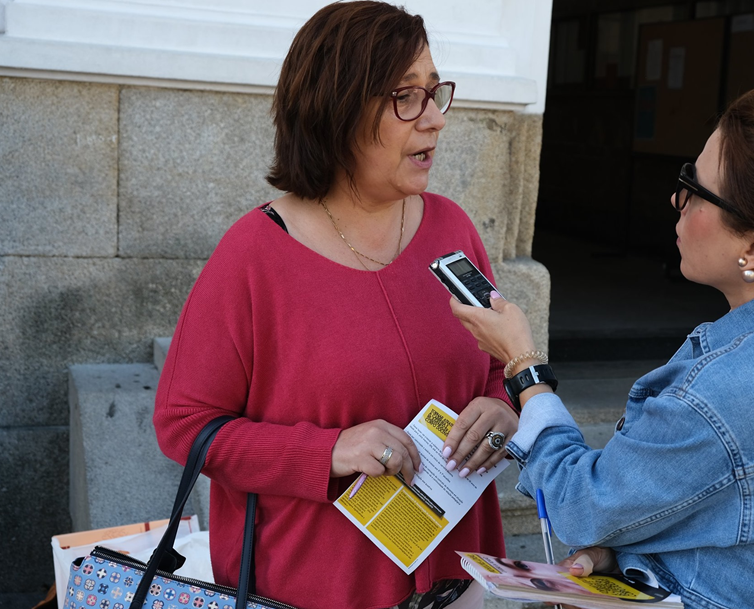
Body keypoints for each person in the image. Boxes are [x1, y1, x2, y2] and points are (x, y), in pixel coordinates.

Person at [448, 83, 754, 609]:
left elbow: (581, 506)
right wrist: (630, 560)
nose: (677, 200)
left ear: (753, 248)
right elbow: (740, 525)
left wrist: (524, 366)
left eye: (694, 187)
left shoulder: (729, 390)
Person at [153, 3, 518, 608]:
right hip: (314, 588)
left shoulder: (453, 229)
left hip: (455, 583)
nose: (435, 119)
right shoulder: (254, 254)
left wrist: (503, 408)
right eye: (406, 97)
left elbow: (500, 366)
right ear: (338, 109)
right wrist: (326, 452)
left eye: (434, 93)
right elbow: (185, 425)